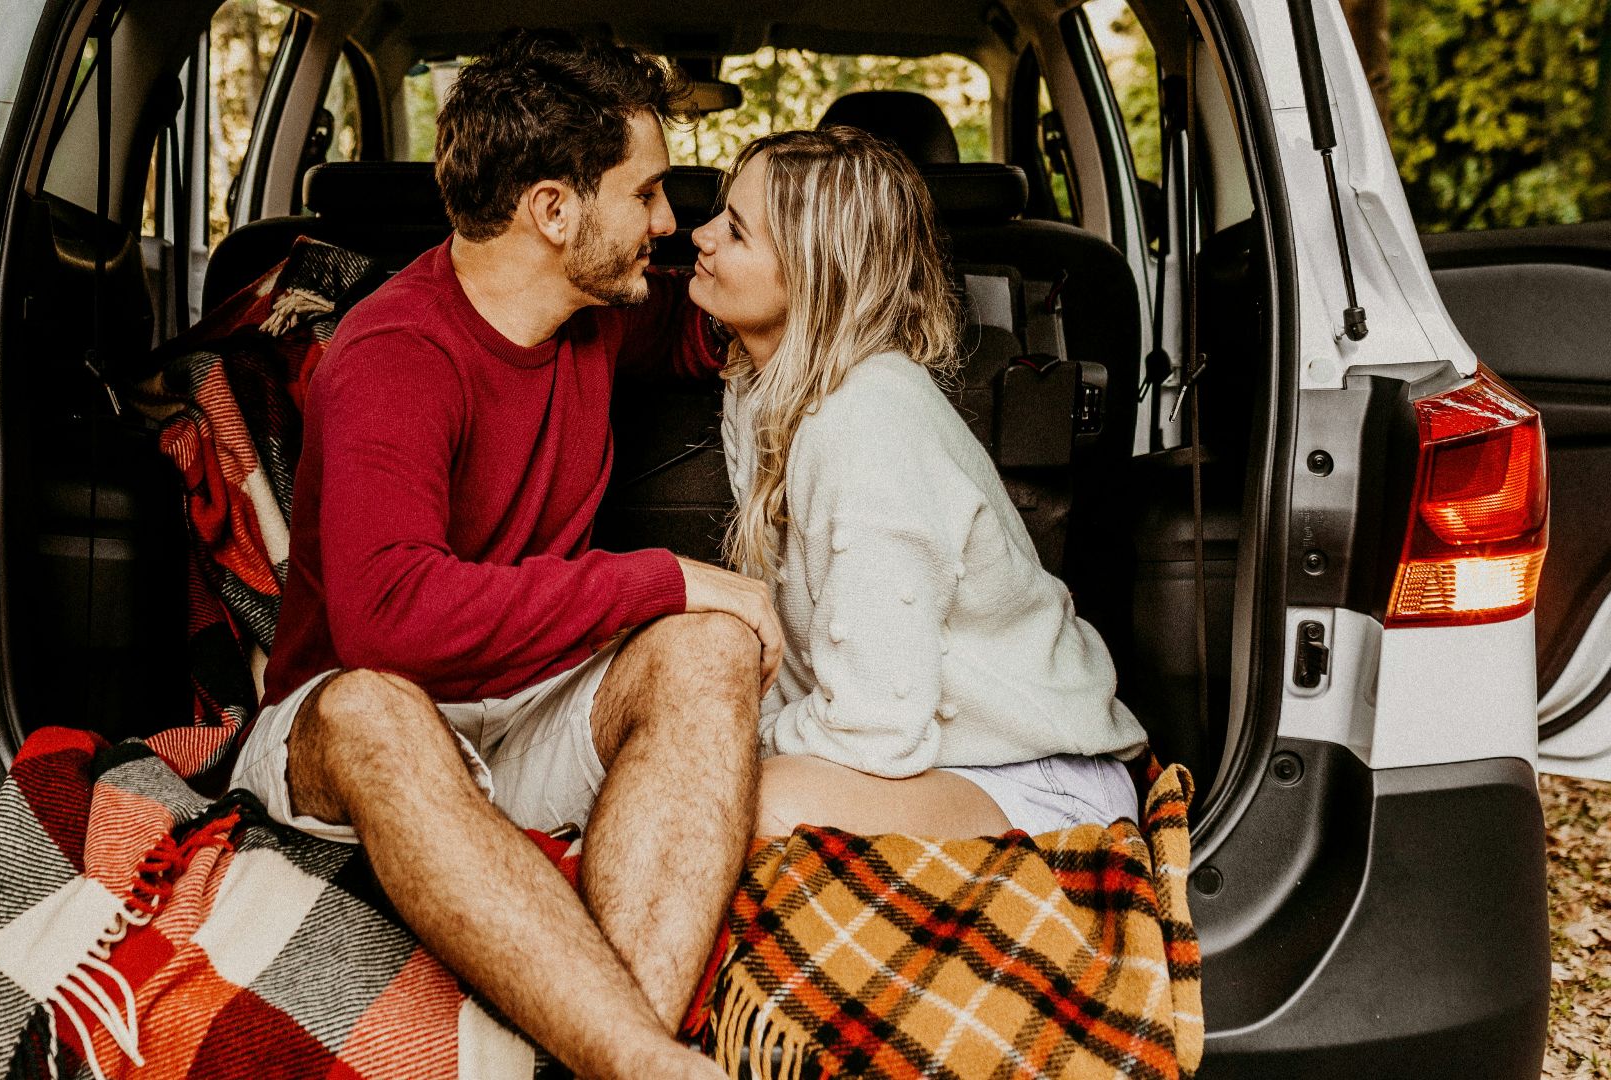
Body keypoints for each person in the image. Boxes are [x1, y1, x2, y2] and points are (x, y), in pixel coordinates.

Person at [228, 30, 780, 1080]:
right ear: (555, 211)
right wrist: (663, 576)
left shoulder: (599, 307)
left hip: (525, 708)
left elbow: (712, 321)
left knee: (707, 652)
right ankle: (639, 1056)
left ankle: (623, 1053)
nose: (670, 223)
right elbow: (391, 623)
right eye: (650, 193)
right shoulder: (392, 357)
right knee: (372, 707)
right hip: (364, 730)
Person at [688, 127, 1148, 840]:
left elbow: (875, 731)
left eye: (736, 232)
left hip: (1036, 773)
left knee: (727, 814)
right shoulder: (759, 390)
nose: (701, 235)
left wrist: (722, 752)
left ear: (814, 273)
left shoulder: (866, 426)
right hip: (921, 757)